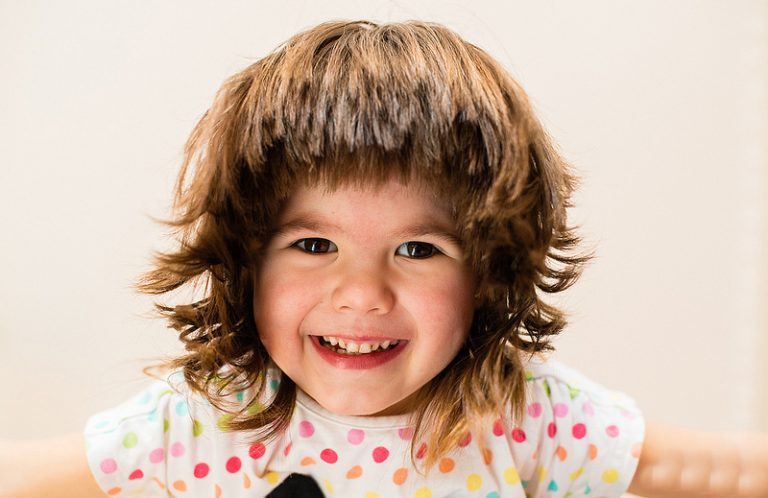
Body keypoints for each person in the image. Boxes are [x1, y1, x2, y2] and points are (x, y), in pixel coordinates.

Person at [2, 20, 767, 498]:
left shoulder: (524, 415)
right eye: (314, 245)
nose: (362, 293)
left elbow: (698, 469)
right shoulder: (202, 421)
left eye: (417, 249)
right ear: (244, 263)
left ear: (489, 271)